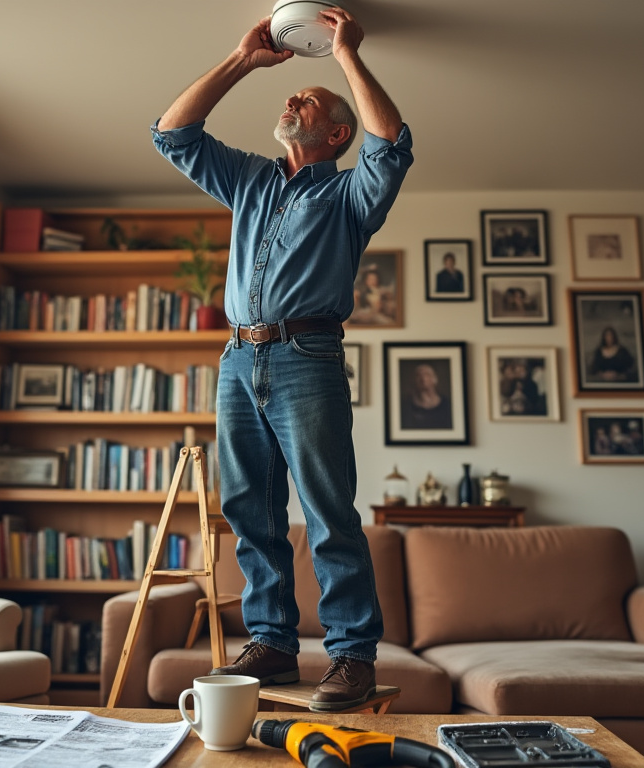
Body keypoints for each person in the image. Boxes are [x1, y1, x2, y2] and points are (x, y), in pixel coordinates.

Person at [151, 7, 411, 711]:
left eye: (311, 99)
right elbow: (171, 132)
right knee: (250, 509)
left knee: (327, 511)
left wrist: (344, 56)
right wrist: (242, 61)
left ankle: (353, 655)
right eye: (293, 93)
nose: (292, 97)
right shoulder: (251, 181)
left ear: (334, 134)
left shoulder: (350, 194)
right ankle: (271, 642)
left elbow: (391, 143)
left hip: (308, 354)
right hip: (238, 358)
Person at [399, 363, 452, 429]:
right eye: (418, 375)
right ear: (413, 380)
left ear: (435, 379)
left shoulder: (447, 404)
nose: (423, 379)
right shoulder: (405, 406)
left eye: (427, 375)